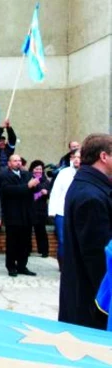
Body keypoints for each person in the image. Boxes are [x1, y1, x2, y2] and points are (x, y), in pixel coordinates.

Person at [59, 134, 112, 330]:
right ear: (104, 157)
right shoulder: (91, 197)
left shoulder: (89, 185)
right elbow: (99, 259)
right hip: (92, 305)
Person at [0, 154, 38, 277]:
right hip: (13, 215)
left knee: (25, 243)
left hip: (26, 214)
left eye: (19, 160)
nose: (18, 163)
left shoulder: (26, 174)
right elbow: (9, 191)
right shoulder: (4, 176)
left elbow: (34, 190)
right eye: (15, 161)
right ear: (9, 163)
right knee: (12, 243)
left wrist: (30, 186)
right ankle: (11, 266)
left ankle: (22, 266)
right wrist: (27, 186)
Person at [48, 149, 81, 268]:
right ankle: (63, 265)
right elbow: (55, 192)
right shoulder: (64, 173)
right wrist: (52, 211)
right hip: (62, 212)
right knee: (62, 240)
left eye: (79, 157)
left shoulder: (86, 173)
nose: (77, 159)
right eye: (74, 157)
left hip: (78, 212)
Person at [29, 160, 51, 258]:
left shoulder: (46, 181)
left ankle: (44, 251)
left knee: (41, 231)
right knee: (27, 231)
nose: (39, 171)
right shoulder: (29, 179)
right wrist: (40, 193)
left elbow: (50, 194)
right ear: (32, 169)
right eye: (36, 169)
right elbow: (29, 195)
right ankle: (27, 249)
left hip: (41, 210)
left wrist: (47, 193)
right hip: (30, 208)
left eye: (40, 169)